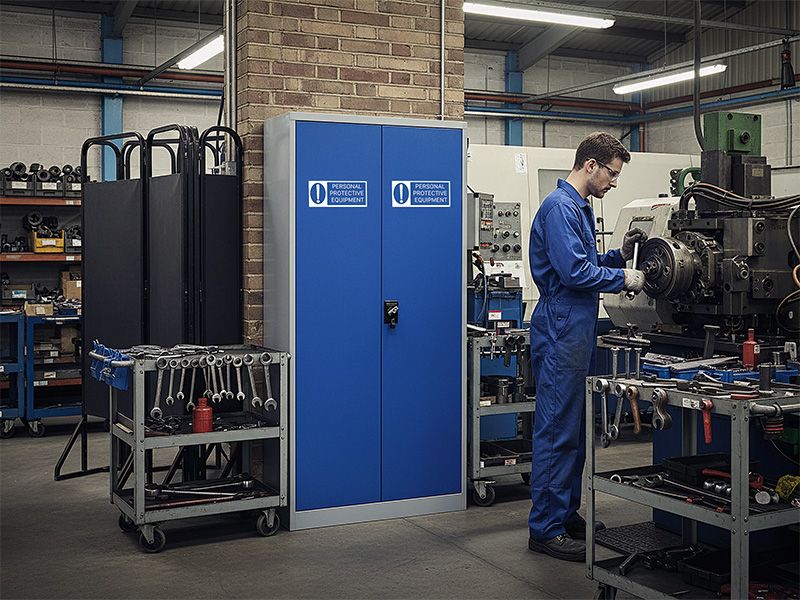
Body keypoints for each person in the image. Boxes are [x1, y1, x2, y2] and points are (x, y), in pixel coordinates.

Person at [527, 132, 647, 562]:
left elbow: (587, 262)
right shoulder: (560, 208)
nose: (614, 182)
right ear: (590, 165)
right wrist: (624, 279)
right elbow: (576, 272)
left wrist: (618, 255)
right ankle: (544, 528)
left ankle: (563, 512)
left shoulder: (576, 207)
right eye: (612, 174)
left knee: (574, 430)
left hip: (574, 327)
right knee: (557, 430)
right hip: (561, 325)